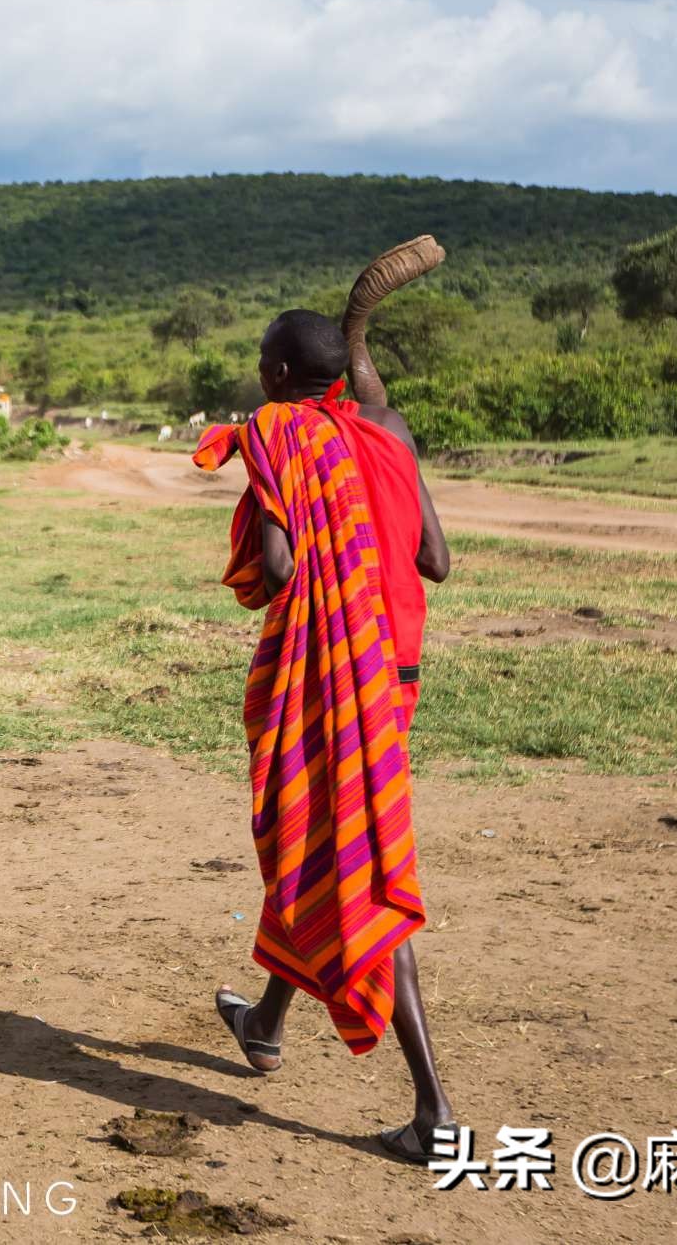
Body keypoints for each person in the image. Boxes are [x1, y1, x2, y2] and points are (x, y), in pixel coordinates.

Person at [192, 308, 455, 1165]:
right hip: (395, 666)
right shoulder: (385, 429)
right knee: (328, 835)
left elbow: (271, 569)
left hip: (335, 672)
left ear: (273, 376)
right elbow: (437, 560)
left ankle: (433, 1107)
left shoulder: (283, 439)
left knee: (360, 865)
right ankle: (264, 1024)